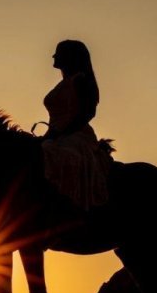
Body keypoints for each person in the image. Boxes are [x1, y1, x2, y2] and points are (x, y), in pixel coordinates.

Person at [41, 40, 109, 210]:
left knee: (59, 156)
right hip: (55, 134)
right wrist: (51, 134)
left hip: (76, 136)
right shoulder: (63, 83)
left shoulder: (80, 80)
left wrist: (61, 133)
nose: (54, 56)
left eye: (59, 52)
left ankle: (69, 208)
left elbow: (87, 113)